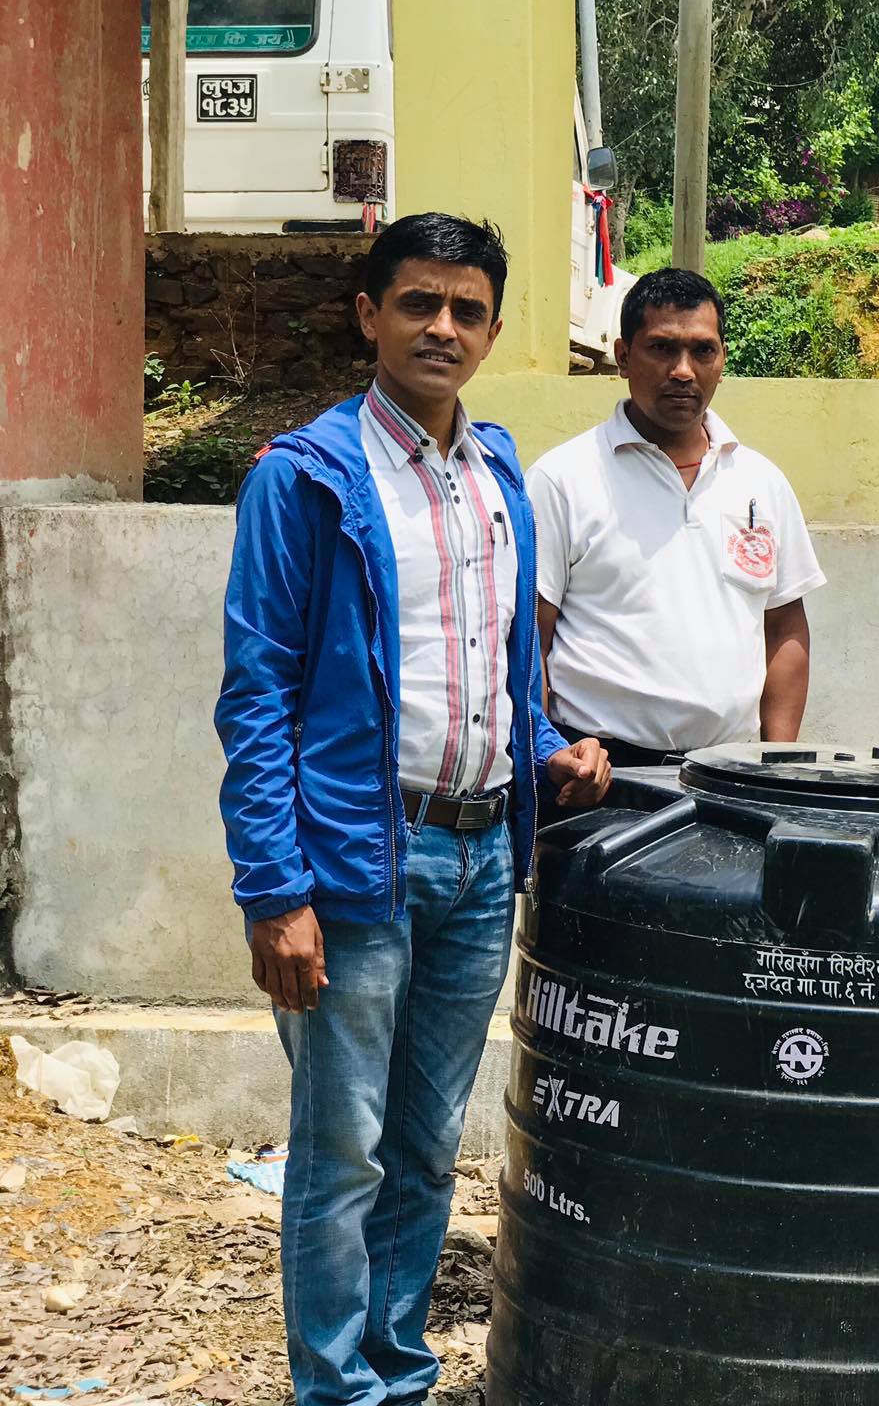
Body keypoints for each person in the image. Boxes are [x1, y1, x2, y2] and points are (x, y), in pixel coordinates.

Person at [214, 212, 611, 1406]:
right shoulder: (304, 479)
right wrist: (273, 890)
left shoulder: (496, 475)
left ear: (492, 329)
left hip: (482, 859)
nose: (443, 327)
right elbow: (257, 695)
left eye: (466, 309)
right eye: (418, 303)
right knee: (343, 1150)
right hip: (356, 861)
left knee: (428, 1148)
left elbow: (499, 673)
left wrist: (548, 751)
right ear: (369, 315)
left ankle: (396, 1369)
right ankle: (337, 1388)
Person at [528, 267, 824, 767]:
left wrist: (778, 766)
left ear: (722, 360)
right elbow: (531, 639)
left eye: (702, 351)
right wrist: (550, 759)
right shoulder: (562, 479)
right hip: (604, 774)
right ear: (624, 356)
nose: (683, 371)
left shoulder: (761, 482)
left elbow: (784, 629)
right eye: (662, 348)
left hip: (732, 772)